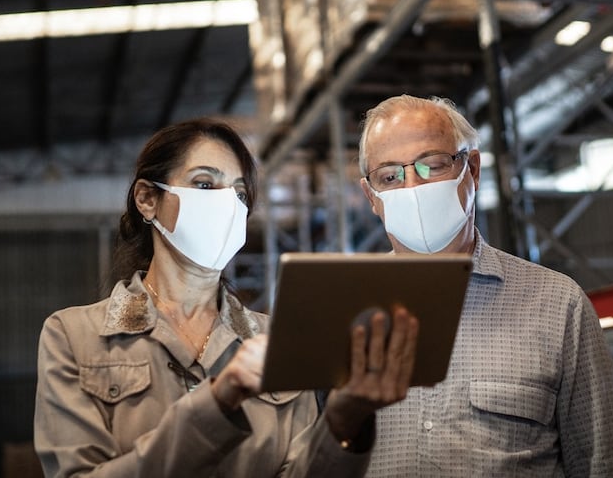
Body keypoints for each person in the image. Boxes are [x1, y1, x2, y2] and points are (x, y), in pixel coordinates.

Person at [34, 118, 419, 478]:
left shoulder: (278, 342)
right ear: (147, 199)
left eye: (239, 192)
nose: (227, 205)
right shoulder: (74, 336)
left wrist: (345, 420)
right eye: (204, 184)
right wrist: (216, 404)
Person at [357, 95, 613, 477]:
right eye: (390, 176)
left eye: (432, 165)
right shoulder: (339, 312)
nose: (412, 187)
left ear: (471, 169)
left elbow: (607, 465)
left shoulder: (557, 305)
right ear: (371, 197)